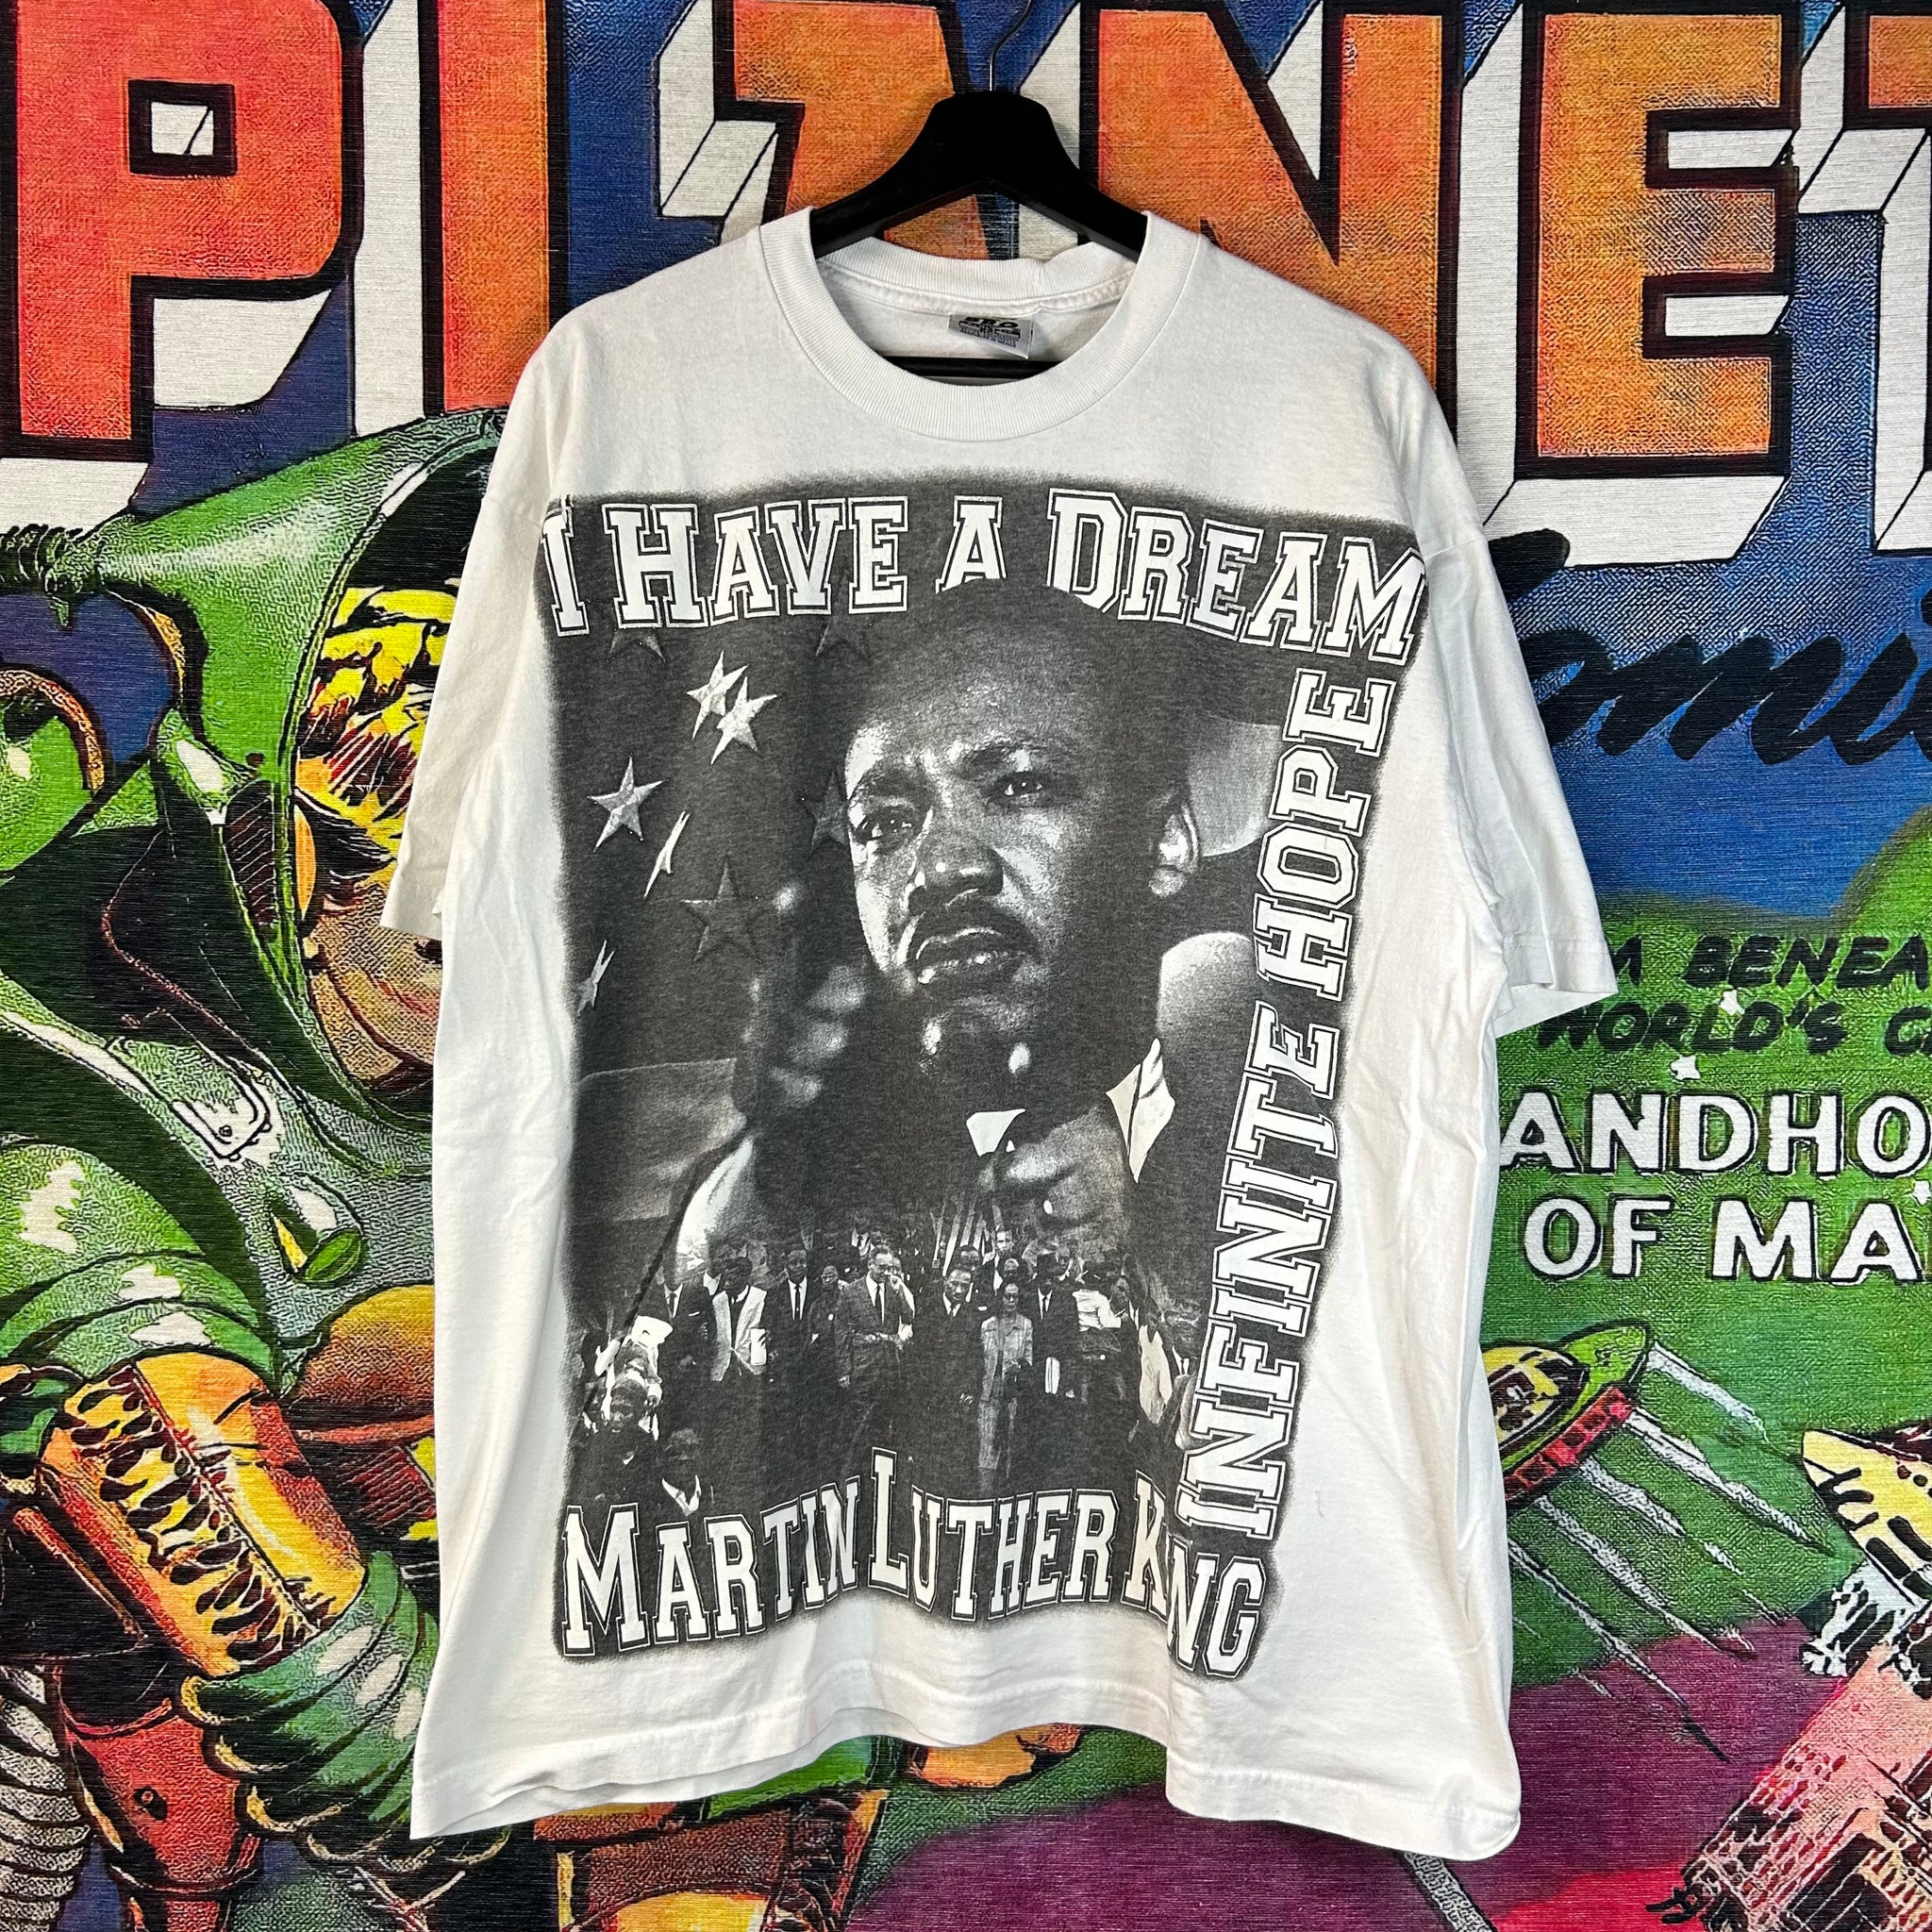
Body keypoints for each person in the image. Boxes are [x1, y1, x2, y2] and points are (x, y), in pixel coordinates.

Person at [677, 577, 1224, 1501]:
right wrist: (772, 1157)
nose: (936, 866)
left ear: (1164, 844)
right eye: (885, 824)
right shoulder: (802, 1184)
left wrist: (1162, 1231)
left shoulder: (1256, 1121)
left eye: (1017, 786)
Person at [906, 1254, 988, 1493]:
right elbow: (917, 1355)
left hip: (957, 1398)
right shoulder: (927, 1309)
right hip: (928, 1395)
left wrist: (970, 1389)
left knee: (954, 1453)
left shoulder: (974, 1316)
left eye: (965, 1285)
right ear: (945, 1282)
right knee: (927, 1453)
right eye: (955, 1284)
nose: (959, 1290)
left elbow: (976, 1359)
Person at [833, 1245, 913, 1470]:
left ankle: (878, 1471)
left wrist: (899, 1291)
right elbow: (841, 1332)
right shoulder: (851, 1291)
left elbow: (908, 1318)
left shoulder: (894, 1288)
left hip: (888, 1368)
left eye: (890, 1268)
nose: (886, 1272)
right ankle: (855, 1469)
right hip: (862, 1366)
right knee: (860, 1423)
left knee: (883, 1423)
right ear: (870, 1265)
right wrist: (844, 1370)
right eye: (882, 1267)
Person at [977, 1277, 1034, 1494]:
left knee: (1009, 1446)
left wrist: (1017, 1370)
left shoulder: (1025, 1325)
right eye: (1007, 1296)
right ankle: (985, 1495)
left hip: (1011, 1397)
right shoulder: (987, 1326)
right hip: (988, 1395)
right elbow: (979, 1360)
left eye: (1015, 1297)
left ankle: (1006, 1494)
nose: (1011, 1301)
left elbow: (1028, 1360)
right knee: (986, 1447)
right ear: (1000, 1298)